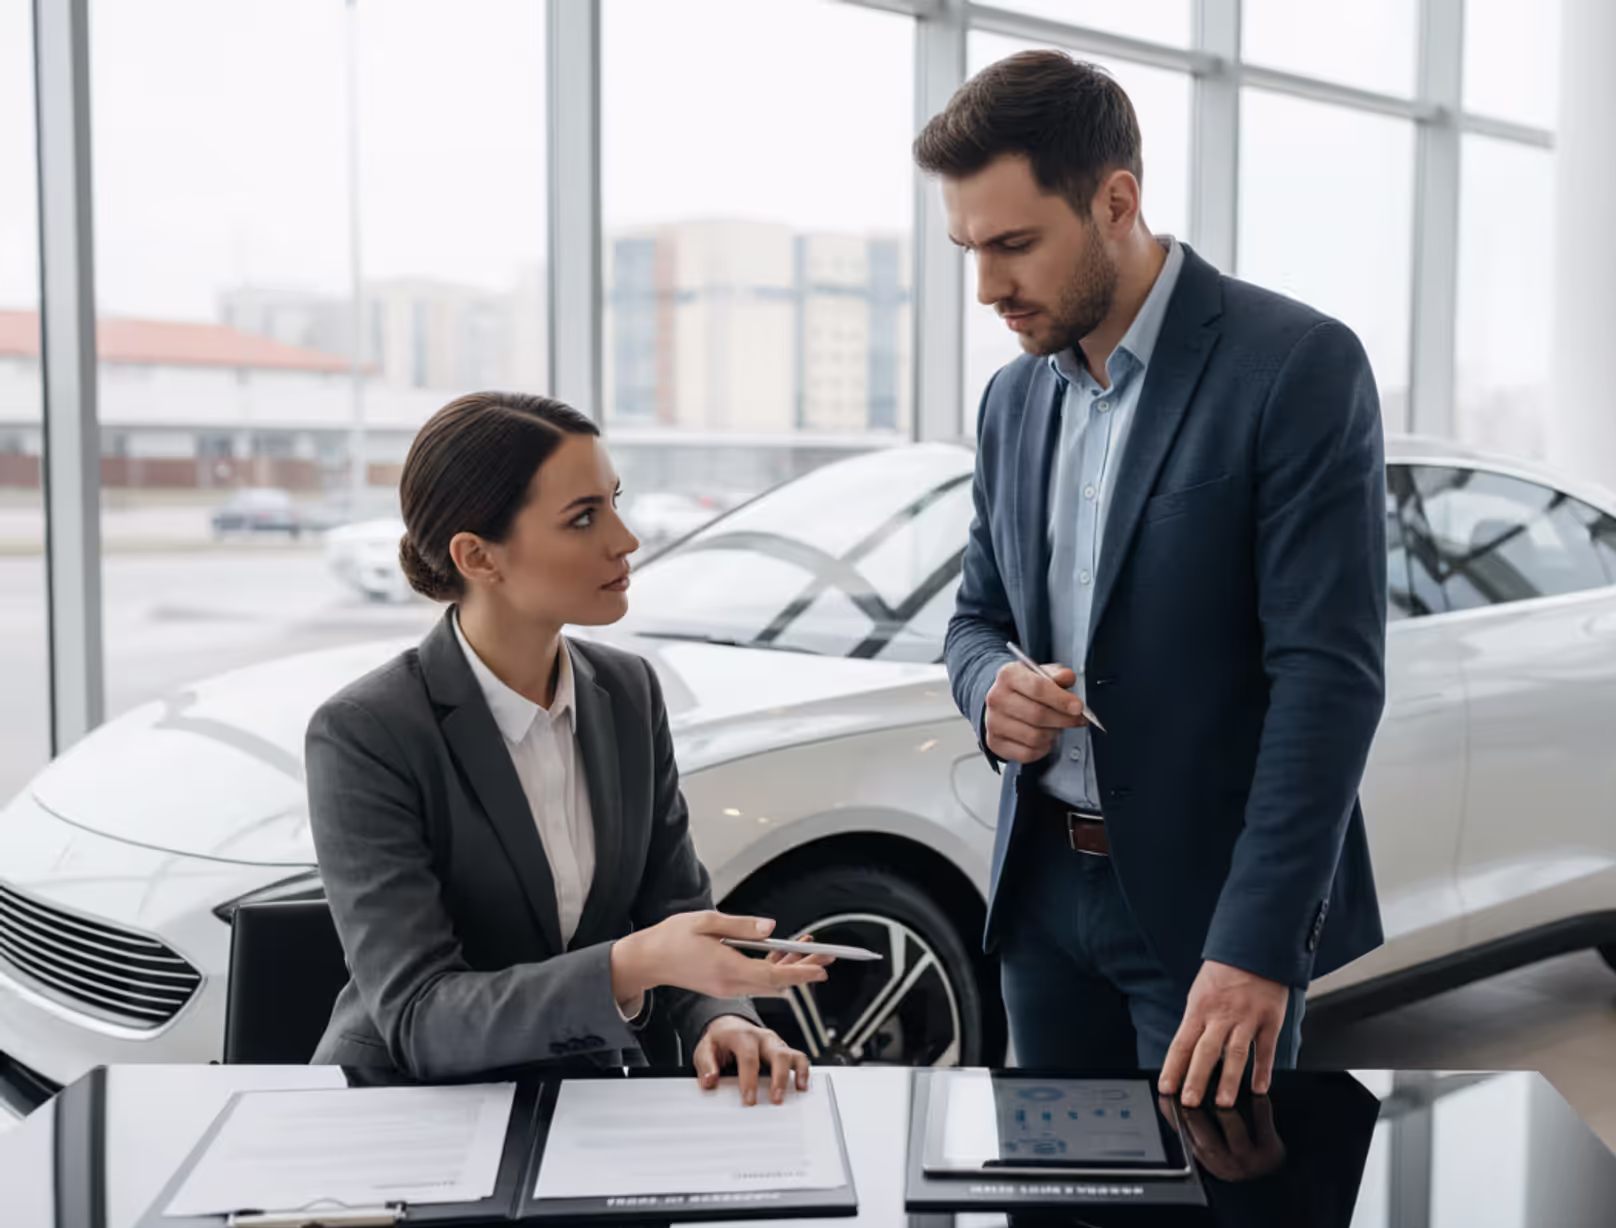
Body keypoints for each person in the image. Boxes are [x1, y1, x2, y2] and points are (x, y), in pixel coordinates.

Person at [920, 51, 1388, 1107]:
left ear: (1116, 201)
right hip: (1038, 892)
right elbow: (974, 619)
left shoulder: (1295, 365)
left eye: (1014, 245)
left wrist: (1260, 943)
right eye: (969, 250)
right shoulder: (1010, 400)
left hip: (1206, 918)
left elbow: (1328, 679)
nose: (988, 286)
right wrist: (991, 686)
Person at [305, 391, 824, 1104]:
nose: (626, 539)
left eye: (614, 501)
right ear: (477, 556)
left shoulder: (628, 693)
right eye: (584, 517)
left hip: (594, 1107)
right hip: (414, 1115)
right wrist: (628, 965)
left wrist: (721, 1017)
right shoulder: (368, 732)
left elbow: (671, 908)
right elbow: (422, 1018)